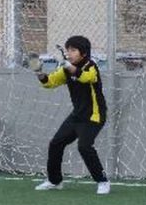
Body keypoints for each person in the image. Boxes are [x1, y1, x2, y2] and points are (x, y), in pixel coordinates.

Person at [35, 35, 110, 195]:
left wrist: (69, 67)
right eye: (68, 50)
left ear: (83, 53)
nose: (69, 53)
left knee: (84, 146)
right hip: (76, 116)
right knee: (55, 144)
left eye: (73, 50)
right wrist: (39, 73)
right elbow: (50, 82)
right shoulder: (66, 69)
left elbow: (86, 77)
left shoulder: (91, 66)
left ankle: (102, 181)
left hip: (94, 116)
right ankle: (55, 181)